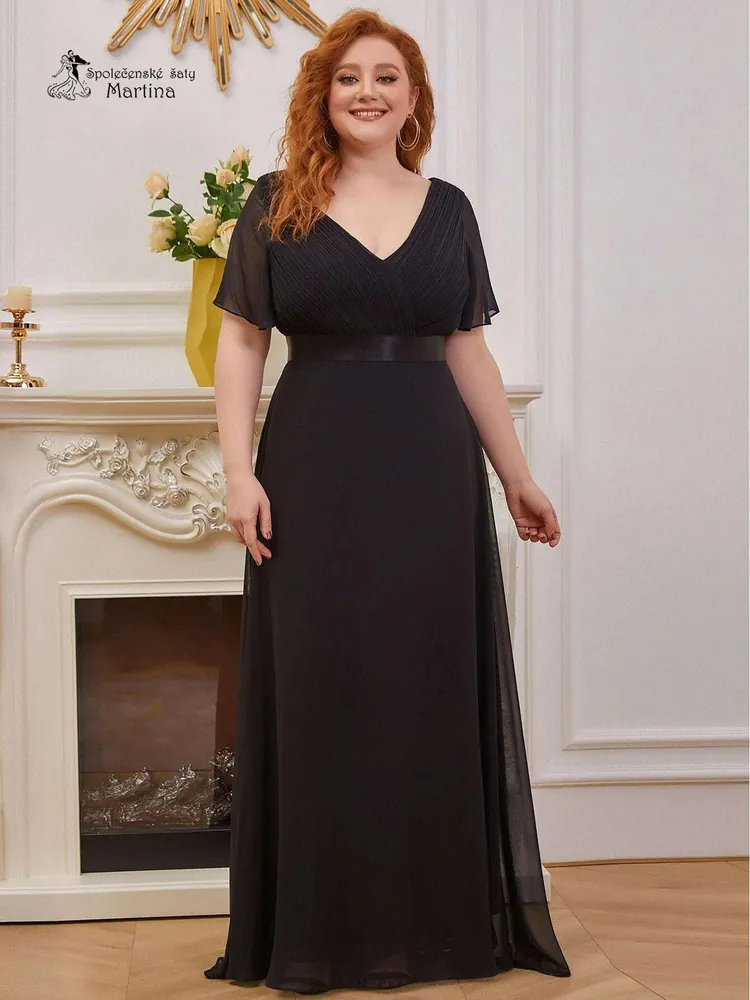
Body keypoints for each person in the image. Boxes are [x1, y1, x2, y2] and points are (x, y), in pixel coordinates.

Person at [204, 7, 571, 993]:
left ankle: (432, 927)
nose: (367, 92)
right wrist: (238, 472)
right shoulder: (276, 201)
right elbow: (242, 340)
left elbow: (467, 349)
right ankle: (318, 931)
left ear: (414, 100)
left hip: (429, 473)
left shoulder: (449, 209)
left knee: (423, 685)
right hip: (312, 466)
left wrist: (517, 475)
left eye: (387, 77)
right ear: (322, 95)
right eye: (348, 77)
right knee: (324, 686)